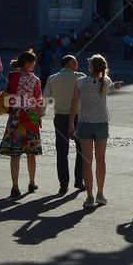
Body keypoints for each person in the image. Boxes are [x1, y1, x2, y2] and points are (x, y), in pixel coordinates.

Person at [68, 55, 123, 210]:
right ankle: (100, 193)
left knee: (87, 161)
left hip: (84, 123)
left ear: (91, 67)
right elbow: (106, 90)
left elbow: (73, 107)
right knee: (101, 160)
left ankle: (90, 196)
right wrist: (115, 87)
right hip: (101, 123)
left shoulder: (80, 82)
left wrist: (70, 125)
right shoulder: (106, 81)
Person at [0, 50, 43, 197]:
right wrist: (38, 118)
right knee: (31, 153)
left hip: (16, 116)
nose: (34, 63)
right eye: (33, 61)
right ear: (26, 63)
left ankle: (15, 186)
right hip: (30, 116)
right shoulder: (35, 80)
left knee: (15, 154)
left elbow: (8, 94)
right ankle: (31, 182)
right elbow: (38, 102)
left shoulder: (12, 76)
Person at [45, 55, 84, 195]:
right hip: (78, 117)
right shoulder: (80, 77)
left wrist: (40, 115)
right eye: (76, 62)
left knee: (62, 152)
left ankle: (63, 184)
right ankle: (79, 180)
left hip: (60, 117)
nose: (77, 65)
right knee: (81, 150)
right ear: (71, 63)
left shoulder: (52, 78)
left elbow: (46, 100)